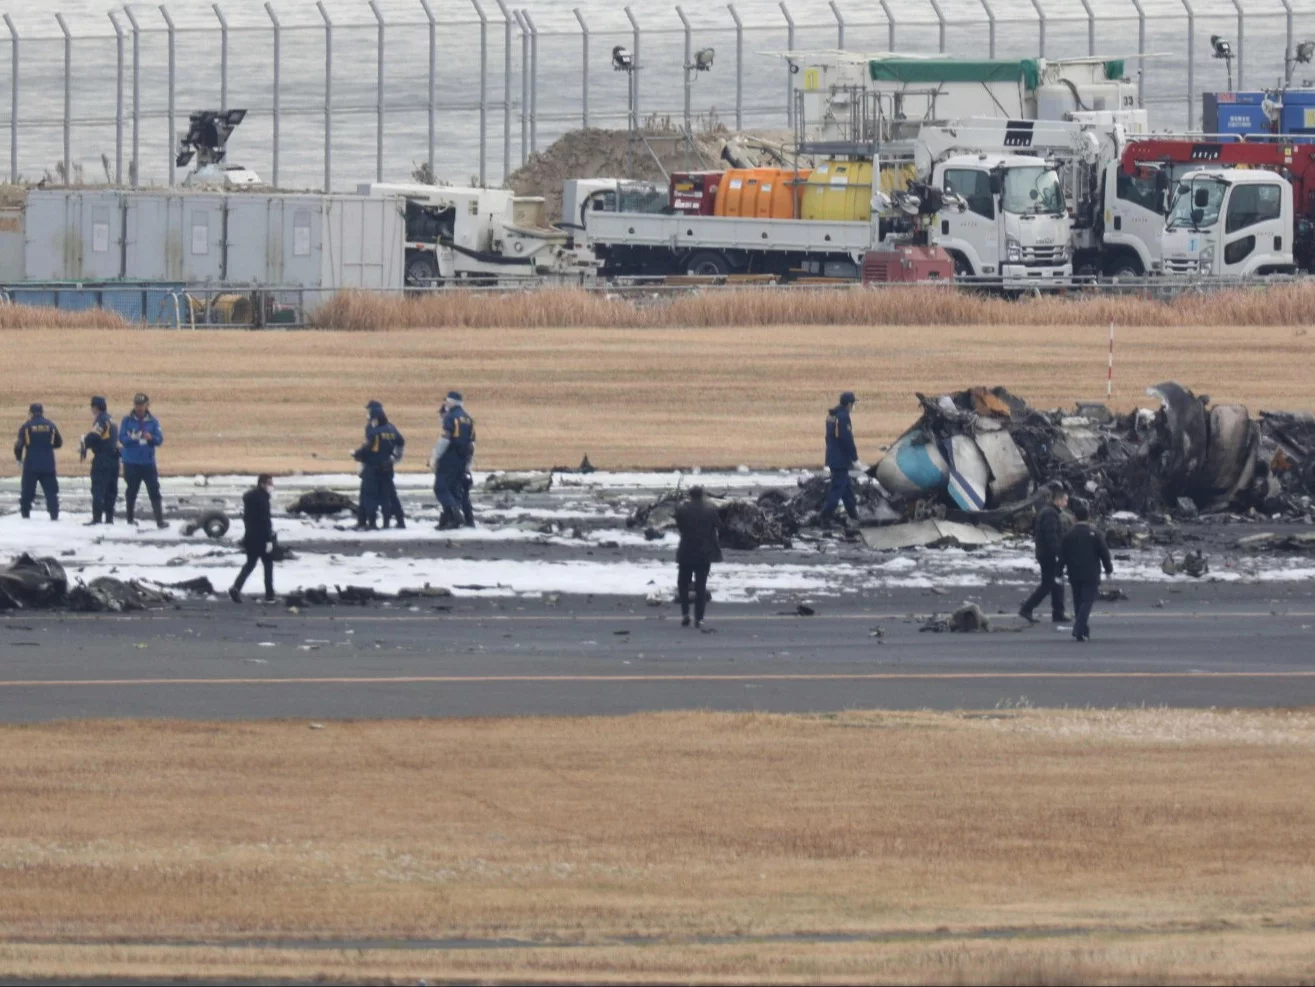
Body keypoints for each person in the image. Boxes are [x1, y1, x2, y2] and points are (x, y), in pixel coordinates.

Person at [1058, 499, 1114, 643]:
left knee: (1078, 602)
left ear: (1074, 518)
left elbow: (1062, 556)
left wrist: (1058, 572)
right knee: (1087, 601)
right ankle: (1079, 628)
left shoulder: (1069, 535)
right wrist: (1108, 569)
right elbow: (1104, 553)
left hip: (1074, 573)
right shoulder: (1095, 534)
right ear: (1088, 517)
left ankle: (1082, 632)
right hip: (1091, 573)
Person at [1019, 482, 1071, 624]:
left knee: (1057, 583)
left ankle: (1058, 613)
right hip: (1048, 555)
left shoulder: (1050, 512)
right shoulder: (1050, 514)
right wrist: (1058, 553)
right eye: (1065, 500)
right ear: (1058, 500)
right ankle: (1027, 608)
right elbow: (1051, 536)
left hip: (1046, 553)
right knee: (1048, 584)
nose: (1066, 504)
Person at [674, 485, 722, 629]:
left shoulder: (682, 509)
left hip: (686, 552)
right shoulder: (711, 509)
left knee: (683, 584)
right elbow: (720, 525)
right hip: (704, 553)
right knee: (701, 587)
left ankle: (685, 614)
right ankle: (699, 619)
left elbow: (680, 526)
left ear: (690, 495)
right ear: (702, 495)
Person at [353, 401, 404, 530]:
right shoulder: (391, 428)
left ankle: (370, 523)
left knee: (369, 495)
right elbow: (400, 442)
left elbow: (370, 448)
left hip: (373, 467)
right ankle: (394, 521)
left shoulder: (374, 430)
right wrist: (394, 458)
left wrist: (357, 455)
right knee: (388, 495)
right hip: (387, 467)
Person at [119, 392, 166, 529]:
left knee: (154, 490)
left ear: (147, 405)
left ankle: (160, 521)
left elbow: (159, 440)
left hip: (148, 463)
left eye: (141, 405)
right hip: (131, 462)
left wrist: (151, 438)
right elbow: (122, 439)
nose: (139, 408)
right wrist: (133, 437)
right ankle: (129, 519)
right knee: (131, 491)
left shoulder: (153, 421)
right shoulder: (127, 420)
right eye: (137, 404)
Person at [430, 391, 476, 530]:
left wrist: (435, 457)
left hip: (449, 457)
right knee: (454, 488)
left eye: (447, 402)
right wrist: (468, 462)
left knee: (441, 487)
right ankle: (451, 519)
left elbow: (445, 439)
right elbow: (472, 443)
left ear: (450, 402)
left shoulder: (451, 417)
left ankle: (455, 515)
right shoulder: (468, 419)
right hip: (462, 458)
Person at [819, 391, 865, 528]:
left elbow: (828, 438)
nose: (854, 407)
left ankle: (853, 515)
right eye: (854, 404)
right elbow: (847, 440)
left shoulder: (832, 415)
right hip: (840, 461)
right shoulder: (843, 417)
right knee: (837, 490)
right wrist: (855, 459)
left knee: (846, 490)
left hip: (833, 457)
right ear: (849, 404)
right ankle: (824, 517)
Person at [229, 474, 277, 603]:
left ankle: (236, 587)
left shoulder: (250, 499)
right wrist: (269, 539)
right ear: (262, 484)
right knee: (268, 564)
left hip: (250, 536)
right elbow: (265, 520)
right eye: (269, 483)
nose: (271, 486)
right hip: (262, 537)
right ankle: (269, 595)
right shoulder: (263, 500)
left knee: (250, 564)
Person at [13, 403, 62, 520]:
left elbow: (19, 445)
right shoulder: (50, 425)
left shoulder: (26, 426)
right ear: (42, 412)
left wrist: (19, 458)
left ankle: (25, 515)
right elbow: (59, 443)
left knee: (27, 491)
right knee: (51, 492)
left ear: (30, 412)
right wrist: (46, 447)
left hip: (31, 464)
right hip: (48, 464)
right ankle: (54, 515)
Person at [80, 396, 120, 525]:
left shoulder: (101, 420)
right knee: (111, 490)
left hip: (103, 459)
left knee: (98, 488)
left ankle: (97, 518)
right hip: (114, 459)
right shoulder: (111, 420)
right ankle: (109, 518)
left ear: (95, 407)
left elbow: (95, 436)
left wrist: (84, 443)